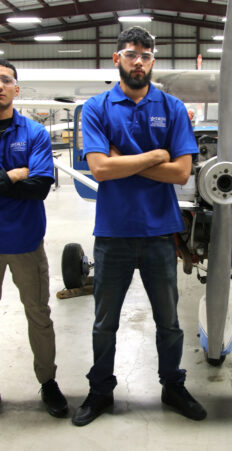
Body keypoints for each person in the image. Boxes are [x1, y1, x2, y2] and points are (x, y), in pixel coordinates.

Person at [72, 27, 206, 426]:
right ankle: (100, 391)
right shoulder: (96, 108)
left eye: (146, 56)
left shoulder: (173, 107)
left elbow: (182, 173)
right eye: (131, 54)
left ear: (153, 61)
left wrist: (124, 160)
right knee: (104, 323)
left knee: (169, 322)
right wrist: (155, 155)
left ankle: (172, 386)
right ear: (117, 59)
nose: (139, 62)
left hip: (160, 234)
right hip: (112, 234)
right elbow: (99, 169)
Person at [0, 59, 67, 417]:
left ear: (16, 88)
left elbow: (40, 187)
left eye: (5, 80)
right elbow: (25, 182)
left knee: (39, 315)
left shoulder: (34, 133)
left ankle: (48, 382)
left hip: (25, 240)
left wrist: (15, 179)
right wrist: (15, 175)